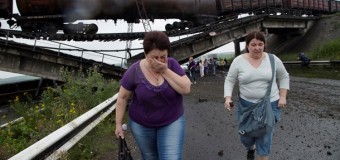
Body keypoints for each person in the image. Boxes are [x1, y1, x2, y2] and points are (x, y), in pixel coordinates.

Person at [115, 31, 191, 160]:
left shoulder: (172, 65)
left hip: (171, 121)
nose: (160, 60)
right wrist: (118, 124)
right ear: (145, 54)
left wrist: (164, 70)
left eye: (163, 56)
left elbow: (186, 88)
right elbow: (122, 98)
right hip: (141, 125)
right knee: (150, 157)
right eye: (155, 57)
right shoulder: (134, 71)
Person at [223, 31, 290, 160]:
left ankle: (262, 154)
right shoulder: (238, 61)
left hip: (270, 104)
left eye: (260, 44)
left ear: (264, 45)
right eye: (253, 44)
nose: (257, 48)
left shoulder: (273, 59)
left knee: (265, 137)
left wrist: (282, 96)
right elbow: (230, 80)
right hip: (246, 107)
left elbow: (284, 76)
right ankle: (250, 148)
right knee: (246, 137)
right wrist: (228, 98)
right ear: (247, 46)